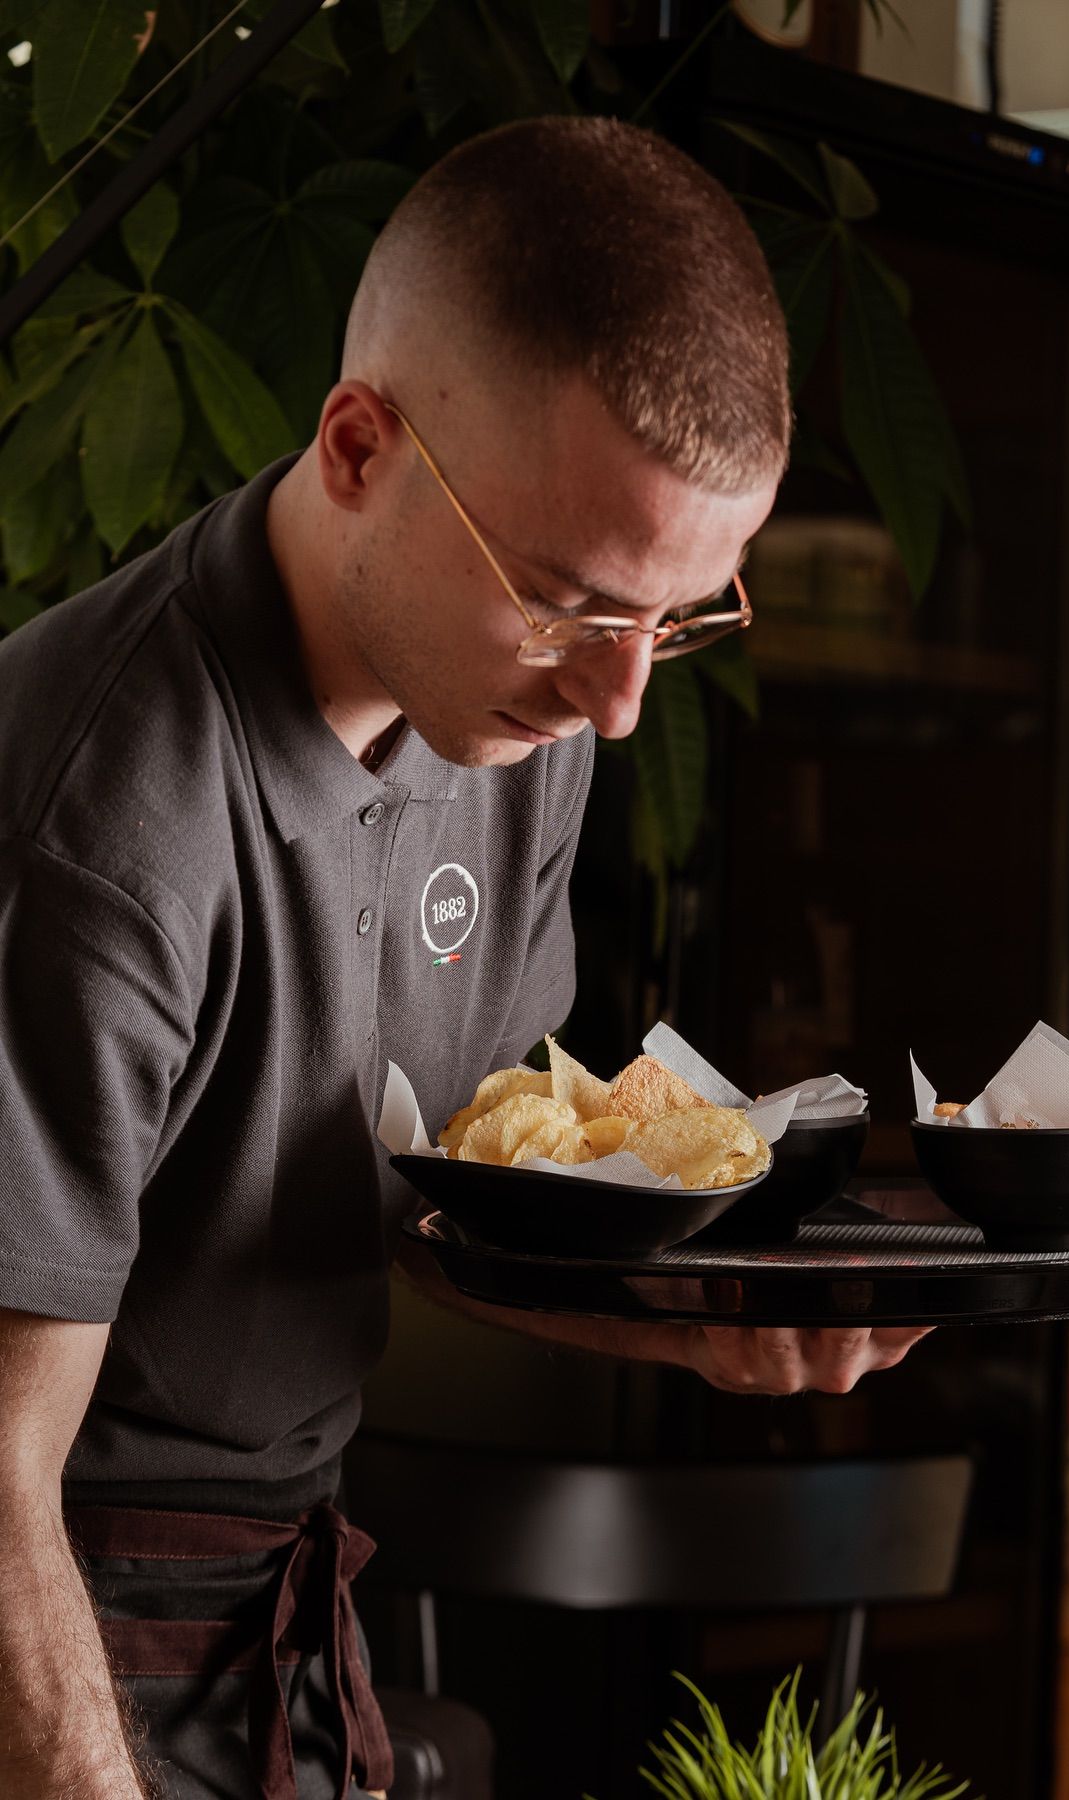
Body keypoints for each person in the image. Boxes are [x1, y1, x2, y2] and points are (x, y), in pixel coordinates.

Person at [0, 116, 931, 1800]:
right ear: (359, 443)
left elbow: (441, 1204)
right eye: (574, 605)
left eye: (683, 615)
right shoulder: (106, 815)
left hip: (282, 1610)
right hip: (50, 1623)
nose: (624, 697)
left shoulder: (516, 722)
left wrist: (707, 1316)